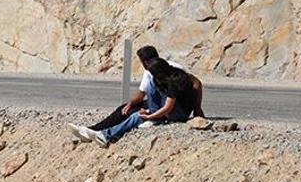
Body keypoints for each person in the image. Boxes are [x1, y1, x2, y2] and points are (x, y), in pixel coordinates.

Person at [70, 46, 203, 138]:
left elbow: (196, 83)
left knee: (135, 114)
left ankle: (103, 133)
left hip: (174, 107)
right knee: (125, 109)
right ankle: (95, 130)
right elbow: (142, 93)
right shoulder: (153, 71)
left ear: (145, 62)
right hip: (165, 104)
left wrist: (197, 108)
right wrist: (130, 103)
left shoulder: (168, 69)